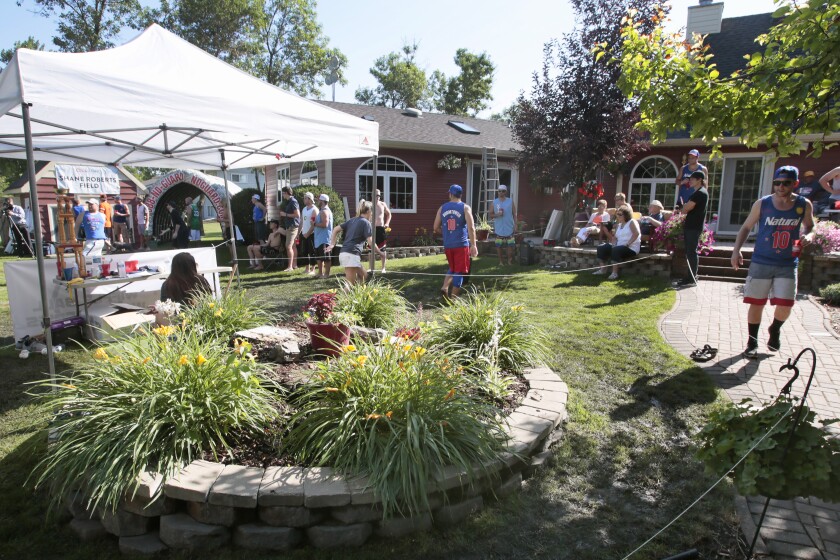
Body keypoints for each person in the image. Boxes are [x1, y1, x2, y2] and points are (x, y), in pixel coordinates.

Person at [731, 166, 814, 358]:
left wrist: (809, 235)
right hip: (761, 260)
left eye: (786, 183)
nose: (781, 186)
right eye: (777, 183)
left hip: (787, 262)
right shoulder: (763, 204)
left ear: (795, 184)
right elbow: (745, 227)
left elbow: (810, 226)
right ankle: (752, 342)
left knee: (786, 304)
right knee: (756, 302)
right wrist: (736, 250)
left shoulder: (803, 204)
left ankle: (775, 328)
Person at [433, 184, 478, 298]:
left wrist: (446, 234)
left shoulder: (442, 208)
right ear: (460, 195)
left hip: (448, 245)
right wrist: (473, 245)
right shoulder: (465, 207)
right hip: (461, 245)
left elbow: (435, 228)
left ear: (451, 194)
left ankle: (444, 287)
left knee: (453, 268)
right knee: (460, 270)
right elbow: (471, 227)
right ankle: (453, 299)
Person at [326, 199, 384, 284]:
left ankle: (361, 296)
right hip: (351, 255)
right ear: (368, 211)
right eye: (372, 211)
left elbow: (335, 229)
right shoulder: (366, 223)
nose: (372, 214)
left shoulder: (353, 220)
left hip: (345, 254)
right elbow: (371, 242)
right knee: (350, 284)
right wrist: (380, 253)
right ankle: (340, 297)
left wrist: (332, 244)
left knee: (364, 276)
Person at [677, 170, 710, 287]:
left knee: (691, 252)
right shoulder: (699, 192)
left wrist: (683, 207)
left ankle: (692, 278)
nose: (689, 181)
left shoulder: (700, 193)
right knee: (690, 251)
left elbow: (685, 209)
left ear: (699, 180)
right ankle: (689, 277)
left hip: (693, 226)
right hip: (693, 225)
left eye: (692, 179)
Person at [593, 205, 640, 280]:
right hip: (619, 246)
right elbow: (615, 237)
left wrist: (627, 244)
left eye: (620, 214)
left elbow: (636, 234)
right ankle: (603, 269)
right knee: (601, 247)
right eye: (617, 214)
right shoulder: (619, 225)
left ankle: (614, 273)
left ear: (626, 215)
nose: (618, 216)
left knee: (616, 250)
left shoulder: (632, 222)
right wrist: (613, 244)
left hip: (631, 247)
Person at [489, 184, 516, 264]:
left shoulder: (510, 201)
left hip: (509, 227)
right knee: (498, 245)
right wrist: (497, 215)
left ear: (506, 192)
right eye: (499, 191)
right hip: (499, 228)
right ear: (498, 192)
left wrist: (516, 224)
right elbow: (491, 215)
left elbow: (515, 213)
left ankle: (509, 261)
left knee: (510, 245)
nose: (501, 193)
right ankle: (501, 261)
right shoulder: (494, 202)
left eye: (503, 191)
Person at [277, 187, 300, 271]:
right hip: (290, 226)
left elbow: (297, 215)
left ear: (286, 193)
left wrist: (285, 214)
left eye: (282, 193)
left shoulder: (293, 201)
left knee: (288, 246)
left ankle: (290, 267)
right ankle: (294, 265)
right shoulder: (290, 201)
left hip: (292, 227)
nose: (282, 195)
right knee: (293, 246)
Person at [313, 193, 333, 279]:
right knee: (319, 257)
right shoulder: (322, 210)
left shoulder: (325, 211)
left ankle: (327, 274)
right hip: (319, 238)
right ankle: (320, 273)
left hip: (324, 238)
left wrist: (315, 224)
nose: (318, 201)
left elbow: (325, 224)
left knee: (326, 257)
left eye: (319, 200)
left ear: (322, 201)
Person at [373, 189, 392, 273]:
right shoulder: (369, 205)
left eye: (379, 195)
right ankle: (371, 268)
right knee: (371, 250)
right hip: (372, 229)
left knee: (383, 249)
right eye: (376, 195)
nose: (378, 197)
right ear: (372, 195)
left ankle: (383, 268)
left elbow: (389, 214)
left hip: (381, 228)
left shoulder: (383, 204)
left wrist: (387, 223)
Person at [300, 192, 319, 274]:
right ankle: (307, 268)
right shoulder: (304, 209)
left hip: (311, 234)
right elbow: (301, 222)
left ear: (310, 199)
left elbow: (313, 224)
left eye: (305, 198)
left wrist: (307, 234)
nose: (304, 199)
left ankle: (313, 269)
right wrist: (299, 233)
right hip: (304, 234)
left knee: (312, 252)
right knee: (304, 251)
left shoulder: (314, 210)